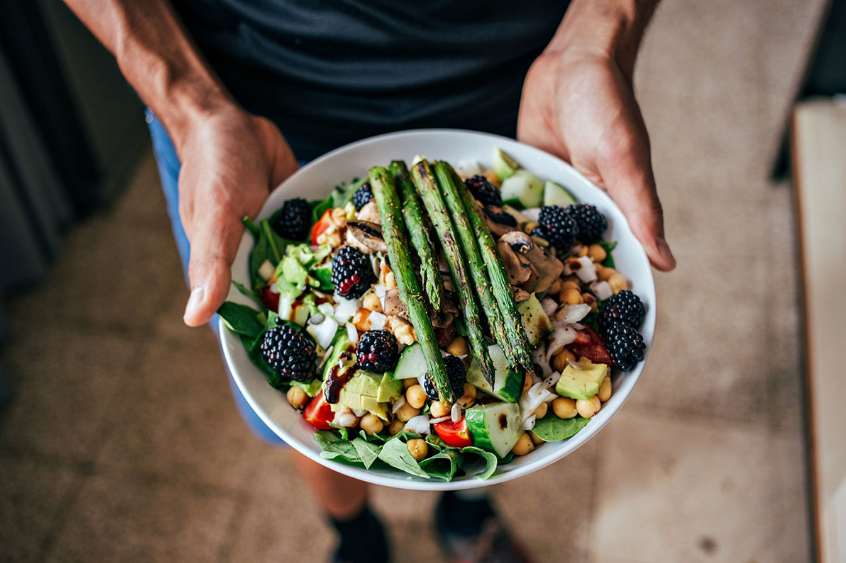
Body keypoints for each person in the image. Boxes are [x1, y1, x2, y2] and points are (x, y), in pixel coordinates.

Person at [65, 1, 676, 561]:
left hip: (519, 97)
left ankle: (467, 513)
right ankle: (355, 534)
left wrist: (598, 36)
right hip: (240, 108)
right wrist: (185, 100)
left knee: (504, 434)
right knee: (296, 420)